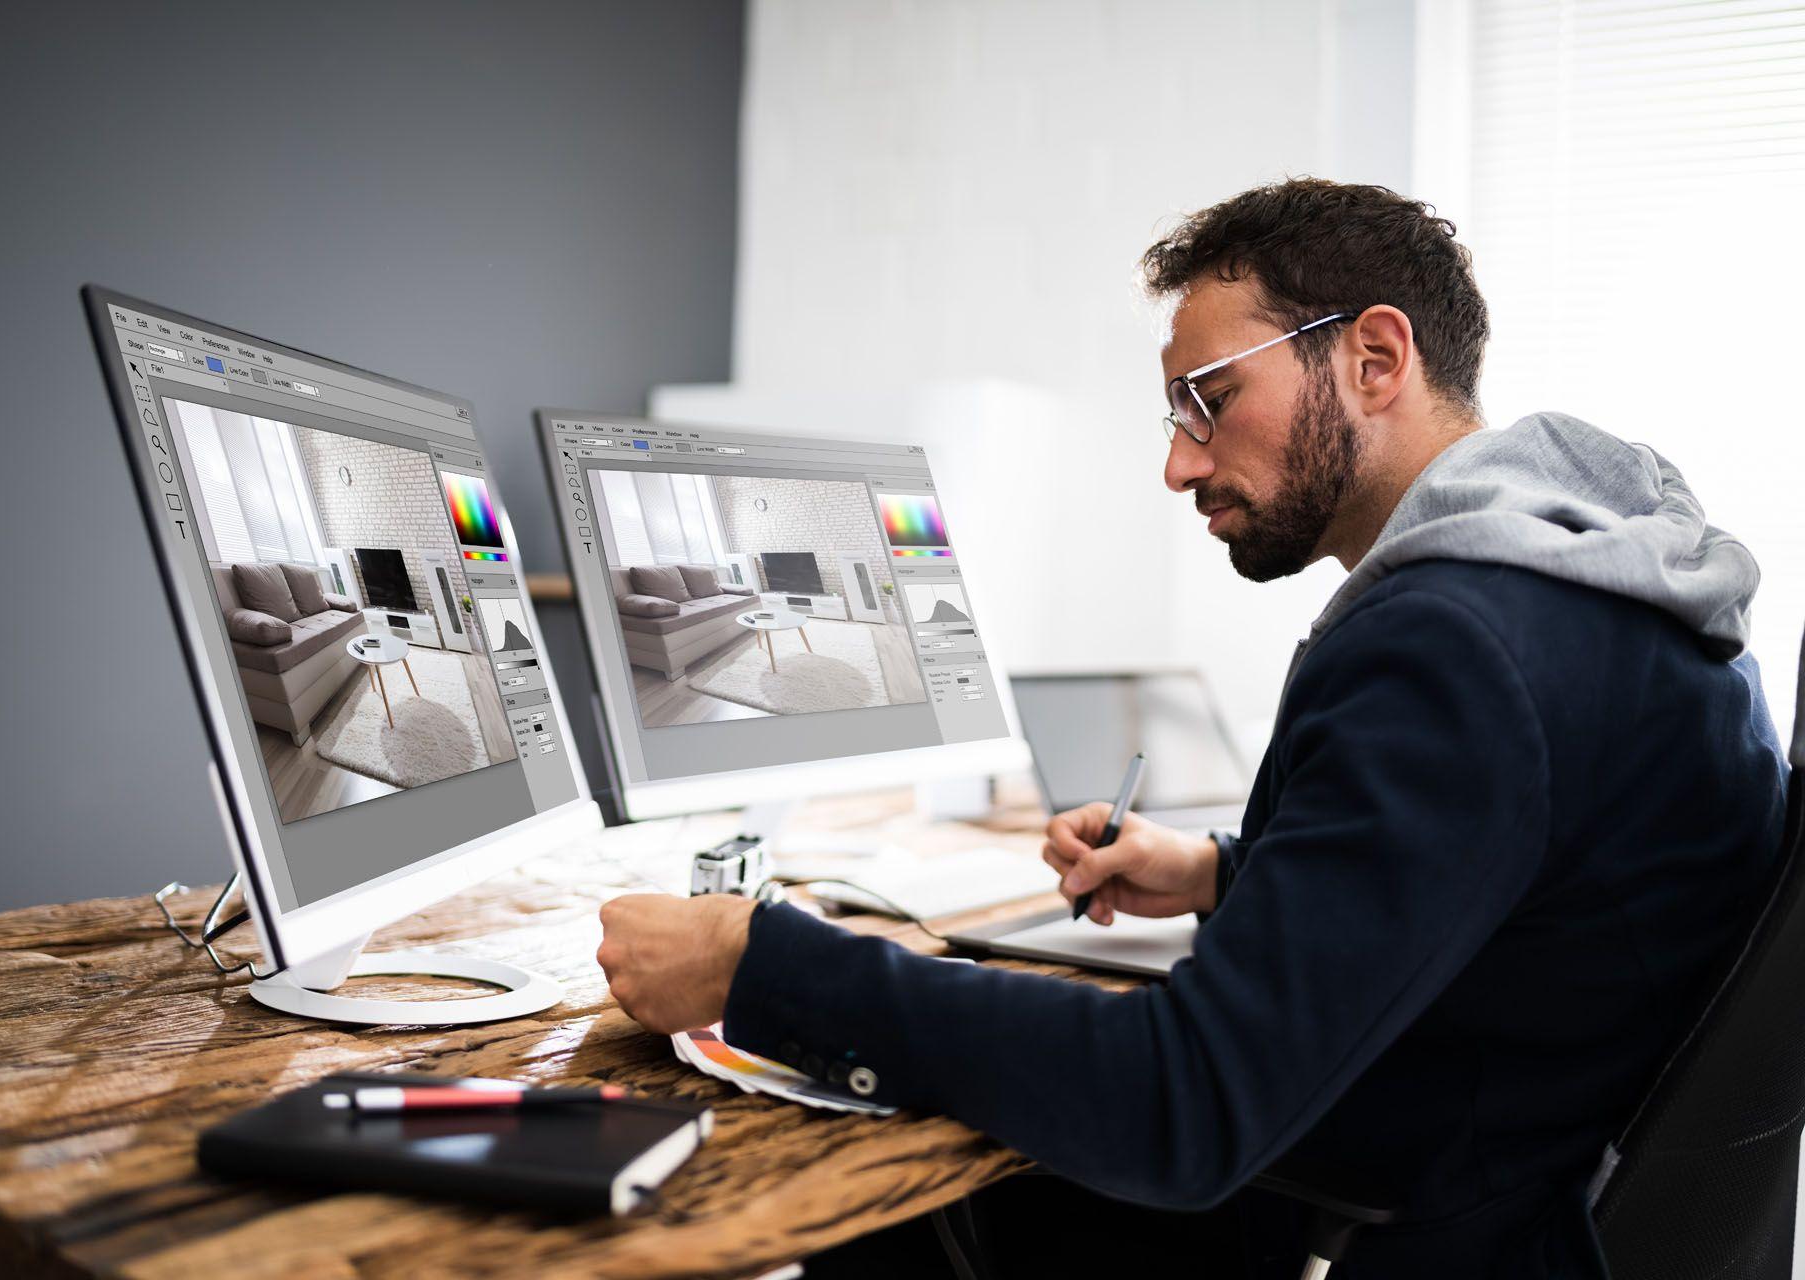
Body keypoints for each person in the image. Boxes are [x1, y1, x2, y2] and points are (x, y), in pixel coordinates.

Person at [594, 178, 1788, 1277]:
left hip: (1457, 1220)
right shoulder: (1613, 584)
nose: (1177, 463)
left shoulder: (1454, 641)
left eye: (1210, 400)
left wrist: (765, 966)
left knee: (896, 1204)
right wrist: (1224, 872)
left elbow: (1188, 1103)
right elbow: (1540, 901)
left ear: (1376, 357)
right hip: (1529, 1177)